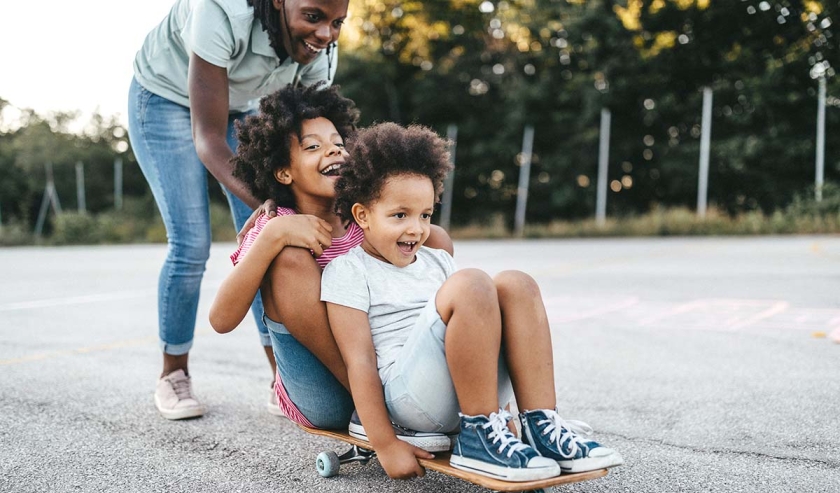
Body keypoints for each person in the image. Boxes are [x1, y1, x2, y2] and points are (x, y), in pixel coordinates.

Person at [321, 122, 625, 481]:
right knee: (473, 284)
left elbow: (475, 338)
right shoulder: (349, 270)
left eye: (425, 215)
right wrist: (385, 444)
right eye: (400, 215)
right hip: (406, 401)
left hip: (461, 392)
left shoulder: (437, 261)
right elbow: (359, 363)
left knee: (517, 284)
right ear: (362, 216)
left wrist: (506, 410)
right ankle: (478, 438)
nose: (416, 229)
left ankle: (539, 424)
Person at [127, 0, 349, 420]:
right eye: (314, 17)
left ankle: (281, 378)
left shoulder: (321, 49)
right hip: (165, 97)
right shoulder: (220, 10)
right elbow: (208, 139)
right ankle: (173, 374)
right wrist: (280, 212)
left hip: (244, 107)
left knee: (271, 237)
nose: (326, 33)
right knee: (191, 242)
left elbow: (314, 134)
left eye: (337, 22)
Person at [208, 84, 452, 439]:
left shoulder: (364, 217)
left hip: (379, 361)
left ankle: (417, 387)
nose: (334, 149)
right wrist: (273, 236)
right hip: (323, 389)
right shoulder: (274, 226)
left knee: (436, 240)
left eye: (338, 142)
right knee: (289, 258)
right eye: (313, 146)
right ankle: (384, 410)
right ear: (283, 172)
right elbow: (221, 320)